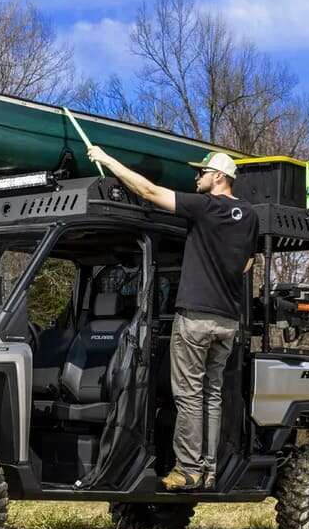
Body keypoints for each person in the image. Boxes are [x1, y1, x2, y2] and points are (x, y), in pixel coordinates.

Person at [86, 146, 258, 491]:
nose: (197, 178)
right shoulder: (250, 216)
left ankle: (189, 470)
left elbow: (148, 192)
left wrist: (107, 161)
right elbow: (247, 265)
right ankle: (209, 471)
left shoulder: (205, 207)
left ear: (219, 177)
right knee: (211, 394)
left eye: (202, 173)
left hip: (195, 318)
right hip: (227, 321)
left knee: (190, 395)